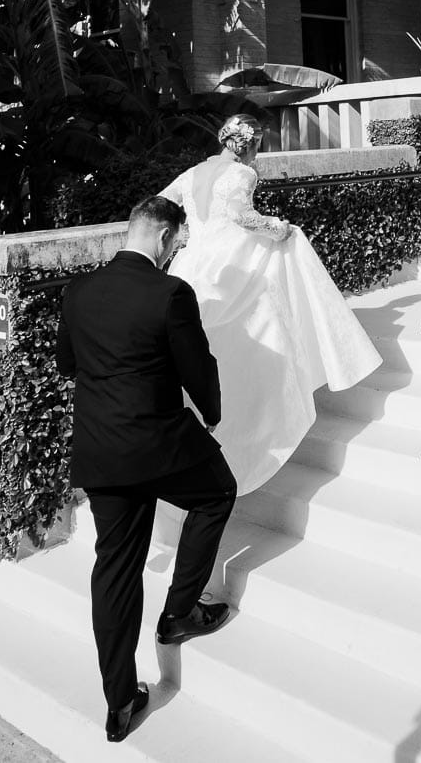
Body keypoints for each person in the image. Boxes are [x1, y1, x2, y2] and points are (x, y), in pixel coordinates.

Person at [56, 195, 238, 744]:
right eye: (177, 242)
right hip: (160, 445)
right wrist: (212, 412)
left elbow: (69, 363)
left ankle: (118, 705)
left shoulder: (79, 291)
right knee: (217, 492)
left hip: (100, 452)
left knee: (114, 570)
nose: (177, 251)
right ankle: (179, 611)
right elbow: (196, 366)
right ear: (161, 236)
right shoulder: (171, 293)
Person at [159, 115, 382, 496]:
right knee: (287, 252)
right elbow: (243, 217)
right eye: (257, 144)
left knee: (206, 339)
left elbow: (163, 202)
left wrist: (187, 236)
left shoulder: (194, 172)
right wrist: (281, 228)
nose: (258, 152)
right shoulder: (242, 174)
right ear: (244, 144)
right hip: (234, 258)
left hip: (194, 263)